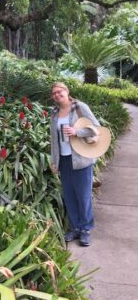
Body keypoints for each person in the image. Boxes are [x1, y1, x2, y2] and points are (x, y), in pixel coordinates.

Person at [50, 82, 100, 247]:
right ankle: (74, 227)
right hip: (64, 160)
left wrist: (76, 132)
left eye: (60, 91)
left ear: (67, 91)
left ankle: (85, 229)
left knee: (83, 195)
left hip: (81, 158)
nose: (57, 95)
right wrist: (54, 160)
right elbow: (54, 140)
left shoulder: (79, 107)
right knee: (69, 195)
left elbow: (96, 128)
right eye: (54, 93)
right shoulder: (54, 112)